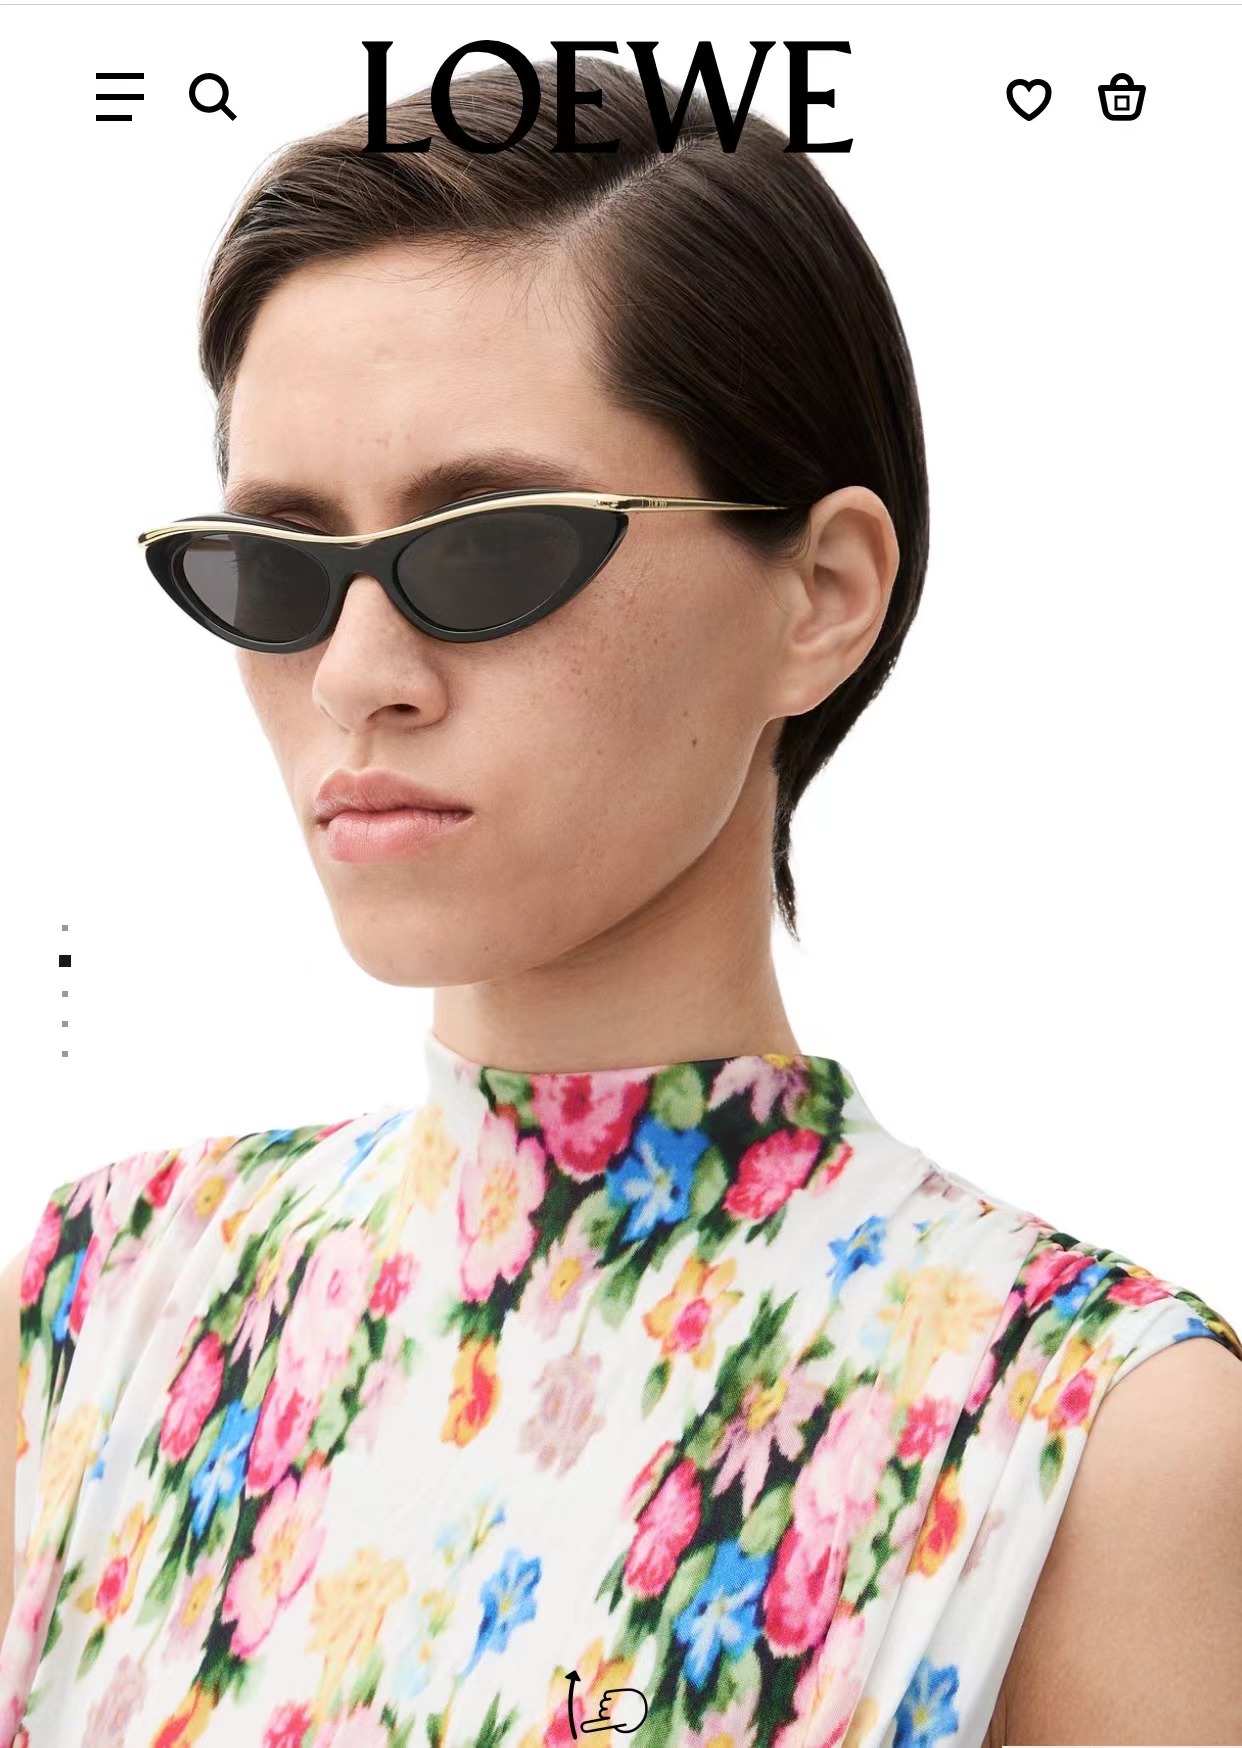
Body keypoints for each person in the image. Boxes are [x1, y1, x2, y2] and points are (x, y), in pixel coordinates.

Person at [2, 54, 1239, 1748]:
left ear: (820, 593)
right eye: (273, 568)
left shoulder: (1092, 1438)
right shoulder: (103, 1302)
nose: (355, 675)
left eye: (488, 547)